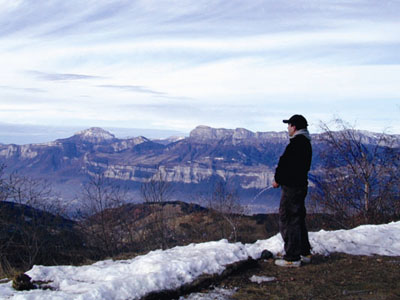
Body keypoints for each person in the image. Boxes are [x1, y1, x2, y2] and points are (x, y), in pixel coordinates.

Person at [272, 114, 312, 267]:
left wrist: (278, 179)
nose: (288, 128)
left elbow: (288, 166)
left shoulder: (297, 144)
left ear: (294, 127)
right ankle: (304, 252)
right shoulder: (305, 142)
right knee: (298, 218)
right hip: (300, 185)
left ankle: (292, 257)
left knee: (288, 219)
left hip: (292, 188)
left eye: (289, 125)